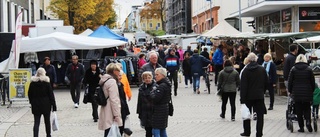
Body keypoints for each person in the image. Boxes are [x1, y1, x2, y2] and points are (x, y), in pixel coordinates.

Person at [240, 53, 268, 137]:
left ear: (248, 60)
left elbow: (243, 86)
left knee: (247, 115)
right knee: (260, 116)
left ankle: (247, 132)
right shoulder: (262, 69)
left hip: (248, 96)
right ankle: (259, 133)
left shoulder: (245, 70)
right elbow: (266, 82)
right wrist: (262, 91)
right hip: (259, 95)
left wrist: (242, 99)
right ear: (256, 59)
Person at [288, 54, 315, 133]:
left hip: (296, 92)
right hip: (307, 91)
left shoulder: (293, 69)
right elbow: (312, 82)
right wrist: (311, 90)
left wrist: (290, 90)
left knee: (298, 109)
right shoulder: (309, 69)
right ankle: (308, 122)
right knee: (307, 108)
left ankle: (301, 127)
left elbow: (290, 82)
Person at [28, 68, 57, 137]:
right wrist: (54, 105)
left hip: (36, 105)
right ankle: (48, 135)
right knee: (47, 121)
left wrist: (31, 102)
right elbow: (51, 95)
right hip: (46, 105)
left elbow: (29, 94)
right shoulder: (46, 83)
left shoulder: (32, 84)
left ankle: (35, 135)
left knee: (36, 122)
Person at [98, 63, 123, 136]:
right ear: (114, 71)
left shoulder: (104, 79)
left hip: (105, 107)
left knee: (108, 131)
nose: (119, 72)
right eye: (118, 70)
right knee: (110, 131)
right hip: (110, 109)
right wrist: (117, 115)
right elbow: (114, 99)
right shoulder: (112, 81)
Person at [150, 68, 171, 137]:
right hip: (164, 108)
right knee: (162, 129)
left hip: (159, 110)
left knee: (156, 129)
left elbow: (156, 98)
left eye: (157, 75)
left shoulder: (162, 86)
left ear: (162, 75)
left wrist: (152, 93)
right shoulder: (166, 84)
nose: (155, 76)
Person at [137, 71, 158, 137]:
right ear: (143, 79)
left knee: (155, 131)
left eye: (149, 78)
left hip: (153, 111)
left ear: (151, 78)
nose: (147, 79)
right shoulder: (141, 88)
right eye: (145, 78)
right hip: (145, 112)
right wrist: (139, 112)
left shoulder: (156, 87)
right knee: (148, 130)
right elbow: (139, 101)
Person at [117, 70, 131, 135]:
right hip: (117, 110)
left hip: (122, 108)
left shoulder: (120, 84)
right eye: (119, 75)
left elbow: (127, 85)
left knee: (121, 128)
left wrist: (129, 94)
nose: (120, 77)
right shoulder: (115, 85)